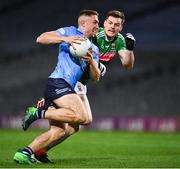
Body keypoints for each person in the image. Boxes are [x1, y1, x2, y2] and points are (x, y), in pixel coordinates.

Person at [33, 10, 136, 164]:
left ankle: (40, 151)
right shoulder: (95, 34)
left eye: (117, 25)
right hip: (72, 81)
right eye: (109, 23)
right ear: (104, 23)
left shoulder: (119, 40)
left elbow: (127, 65)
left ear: (121, 27)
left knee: (73, 127)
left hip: (82, 83)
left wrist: (130, 49)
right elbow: (78, 45)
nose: (112, 27)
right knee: (83, 119)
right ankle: (42, 112)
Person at [13, 9, 100, 165]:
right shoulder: (69, 31)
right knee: (82, 117)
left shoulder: (93, 49)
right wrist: (65, 39)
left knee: (66, 129)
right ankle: (37, 113)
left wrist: (91, 62)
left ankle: (27, 152)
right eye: (95, 21)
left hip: (66, 87)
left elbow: (96, 77)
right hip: (58, 82)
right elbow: (41, 38)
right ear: (83, 23)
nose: (98, 25)